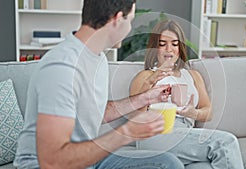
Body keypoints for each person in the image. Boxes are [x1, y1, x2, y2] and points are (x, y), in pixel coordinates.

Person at [13, 1, 185, 169]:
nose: (130, 29)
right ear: (117, 19)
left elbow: (93, 112)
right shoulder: (61, 67)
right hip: (44, 164)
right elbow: (52, 162)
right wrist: (126, 133)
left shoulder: (98, 58)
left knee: (168, 163)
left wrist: (144, 98)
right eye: (130, 20)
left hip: (88, 159)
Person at [130, 20, 244, 169]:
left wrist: (193, 113)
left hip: (185, 133)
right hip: (154, 133)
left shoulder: (193, 75)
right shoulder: (145, 76)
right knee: (225, 142)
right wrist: (149, 84)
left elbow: (207, 111)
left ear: (180, 47)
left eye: (174, 44)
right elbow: (134, 118)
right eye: (162, 44)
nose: (168, 49)